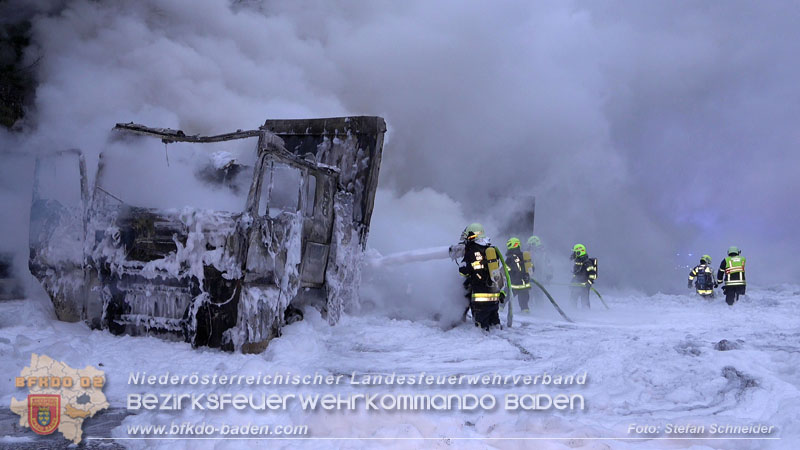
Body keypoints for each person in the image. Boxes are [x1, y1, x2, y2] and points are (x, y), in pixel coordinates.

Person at [457, 223, 507, 330]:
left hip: (480, 298)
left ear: (472, 235)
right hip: (494, 296)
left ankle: (487, 345)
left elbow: (464, 271)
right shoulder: (491, 250)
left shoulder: (471, 251)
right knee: (494, 324)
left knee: (481, 328)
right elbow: (500, 272)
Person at [505, 237, 532, 312]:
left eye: (509, 244)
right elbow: (532, 267)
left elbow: (507, 269)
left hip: (513, 285)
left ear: (514, 244)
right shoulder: (524, 256)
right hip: (524, 285)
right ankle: (527, 318)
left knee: (502, 301)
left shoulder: (511, 257)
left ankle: (498, 313)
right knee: (524, 305)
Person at [526, 235, 552, 307]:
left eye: (530, 245)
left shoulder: (543, 254)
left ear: (534, 244)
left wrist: (549, 277)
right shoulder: (528, 253)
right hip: (530, 279)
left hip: (539, 280)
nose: (529, 247)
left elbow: (548, 266)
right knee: (529, 297)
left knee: (538, 297)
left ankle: (539, 313)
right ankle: (529, 313)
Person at [570, 243, 597, 308]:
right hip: (577, 285)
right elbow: (576, 275)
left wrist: (589, 283)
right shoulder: (577, 262)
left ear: (580, 252)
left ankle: (586, 314)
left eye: (575, 253)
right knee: (572, 300)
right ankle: (573, 312)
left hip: (584, 286)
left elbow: (592, 274)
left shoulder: (587, 263)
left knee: (584, 301)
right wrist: (572, 283)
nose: (573, 254)